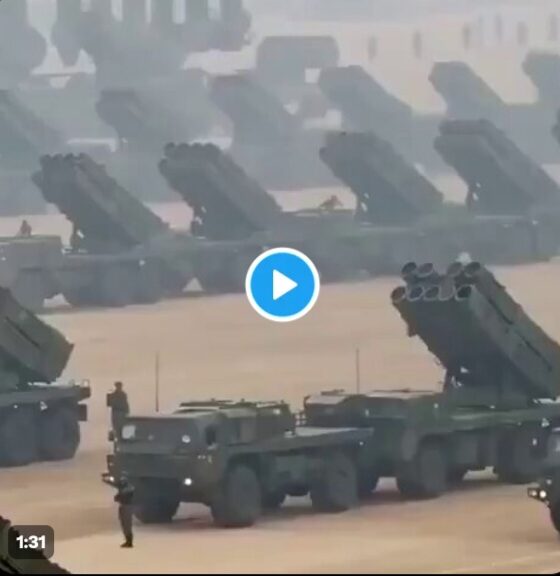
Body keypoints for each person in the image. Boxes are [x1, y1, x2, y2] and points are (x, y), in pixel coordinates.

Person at [103, 475, 135, 548]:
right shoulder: (125, 487)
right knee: (124, 524)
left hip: (127, 507)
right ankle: (128, 541)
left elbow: (123, 493)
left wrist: (118, 496)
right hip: (123, 506)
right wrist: (107, 480)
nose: (121, 483)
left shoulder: (129, 488)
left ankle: (129, 542)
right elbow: (115, 484)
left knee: (127, 525)